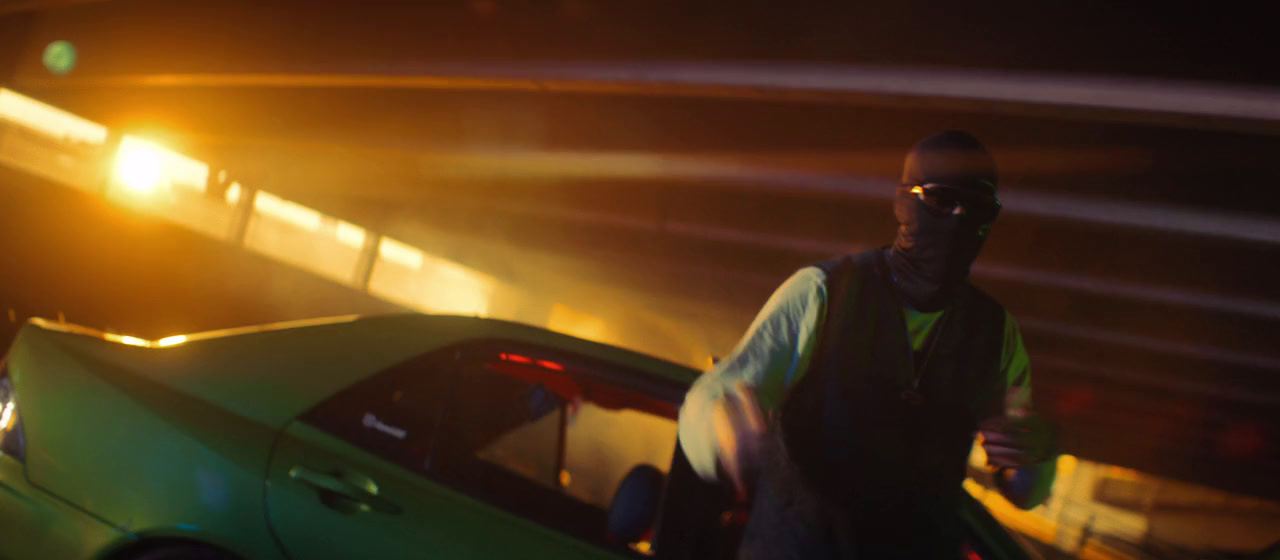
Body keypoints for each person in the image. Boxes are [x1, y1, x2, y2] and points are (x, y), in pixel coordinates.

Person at [677, 131, 1058, 559]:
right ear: (902, 202)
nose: (958, 216)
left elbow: (1025, 487)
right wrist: (724, 431)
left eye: (978, 208)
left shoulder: (997, 334)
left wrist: (1036, 455)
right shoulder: (824, 292)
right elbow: (713, 397)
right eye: (940, 199)